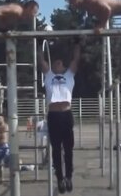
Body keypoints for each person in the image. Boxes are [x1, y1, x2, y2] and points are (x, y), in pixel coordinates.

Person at [38, 41, 81, 194]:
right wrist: (37, 43)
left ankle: (69, 177)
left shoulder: (69, 75)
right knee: (56, 149)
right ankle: (60, 178)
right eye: (55, 62)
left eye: (60, 62)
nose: (57, 63)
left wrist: (77, 43)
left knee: (68, 148)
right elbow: (41, 61)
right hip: (54, 115)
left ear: (63, 67)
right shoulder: (48, 75)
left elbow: (76, 60)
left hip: (66, 114)